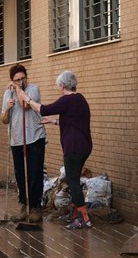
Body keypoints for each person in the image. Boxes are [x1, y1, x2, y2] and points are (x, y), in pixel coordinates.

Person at [16, 70, 93, 229]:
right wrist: (53, 122)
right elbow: (74, 121)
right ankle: (75, 214)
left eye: (59, 85)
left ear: (63, 85)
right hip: (84, 145)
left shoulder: (67, 100)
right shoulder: (80, 99)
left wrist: (27, 99)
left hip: (73, 147)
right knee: (74, 180)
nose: (58, 87)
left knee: (73, 182)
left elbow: (43, 108)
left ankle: (84, 219)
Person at [1, 64, 46, 223]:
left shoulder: (33, 89)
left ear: (27, 77)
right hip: (16, 139)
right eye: (17, 80)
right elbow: (4, 120)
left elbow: (25, 105)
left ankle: (35, 207)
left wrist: (17, 89)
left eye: (22, 78)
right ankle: (23, 205)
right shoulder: (8, 94)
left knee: (34, 172)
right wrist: (7, 108)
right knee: (20, 174)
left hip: (34, 136)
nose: (20, 82)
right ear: (12, 80)